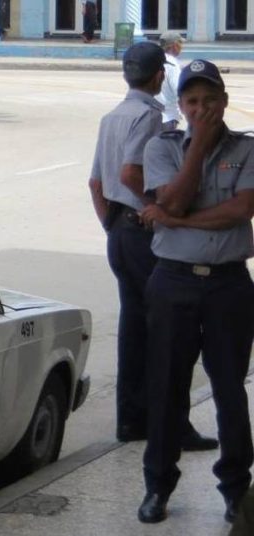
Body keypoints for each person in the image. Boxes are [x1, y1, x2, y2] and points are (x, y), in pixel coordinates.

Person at [137, 59, 254, 525]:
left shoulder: (247, 149)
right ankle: (157, 486)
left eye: (210, 100)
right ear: (180, 106)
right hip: (174, 281)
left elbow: (241, 209)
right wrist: (198, 148)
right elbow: (170, 199)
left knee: (230, 389)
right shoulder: (161, 147)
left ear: (225, 101)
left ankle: (235, 489)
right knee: (166, 387)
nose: (201, 109)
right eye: (192, 101)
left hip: (228, 284)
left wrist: (179, 221)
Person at [87, 42, 217, 453]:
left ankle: (132, 420)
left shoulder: (112, 117)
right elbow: (129, 172)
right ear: (160, 76)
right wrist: (156, 208)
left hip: (120, 233)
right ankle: (172, 424)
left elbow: (96, 182)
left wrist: (112, 224)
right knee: (169, 332)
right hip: (142, 235)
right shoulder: (147, 116)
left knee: (135, 330)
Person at [156, 32, 185, 131]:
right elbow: (179, 89)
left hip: (153, 115)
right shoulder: (172, 63)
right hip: (168, 117)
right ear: (174, 45)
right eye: (180, 43)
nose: (182, 47)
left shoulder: (155, 59)